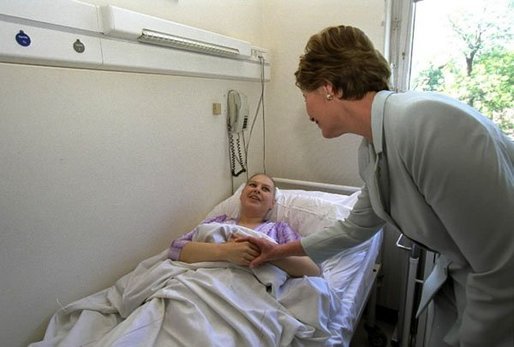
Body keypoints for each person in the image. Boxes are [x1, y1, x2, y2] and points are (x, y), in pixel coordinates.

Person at [241, 26, 514, 347]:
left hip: (498, 293)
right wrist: (279, 251)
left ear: (329, 88)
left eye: (305, 96)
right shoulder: (372, 149)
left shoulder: (427, 124)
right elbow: (356, 228)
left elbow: (503, 267)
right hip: (469, 283)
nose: (307, 110)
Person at [168, 173, 320, 278]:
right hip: (201, 282)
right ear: (241, 195)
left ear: (272, 203)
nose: (257, 189)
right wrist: (224, 251)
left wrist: (266, 254)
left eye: (265, 189)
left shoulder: (280, 229)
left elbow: (312, 269)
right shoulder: (218, 222)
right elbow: (175, 249)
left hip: (249, 292)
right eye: (252, 185)